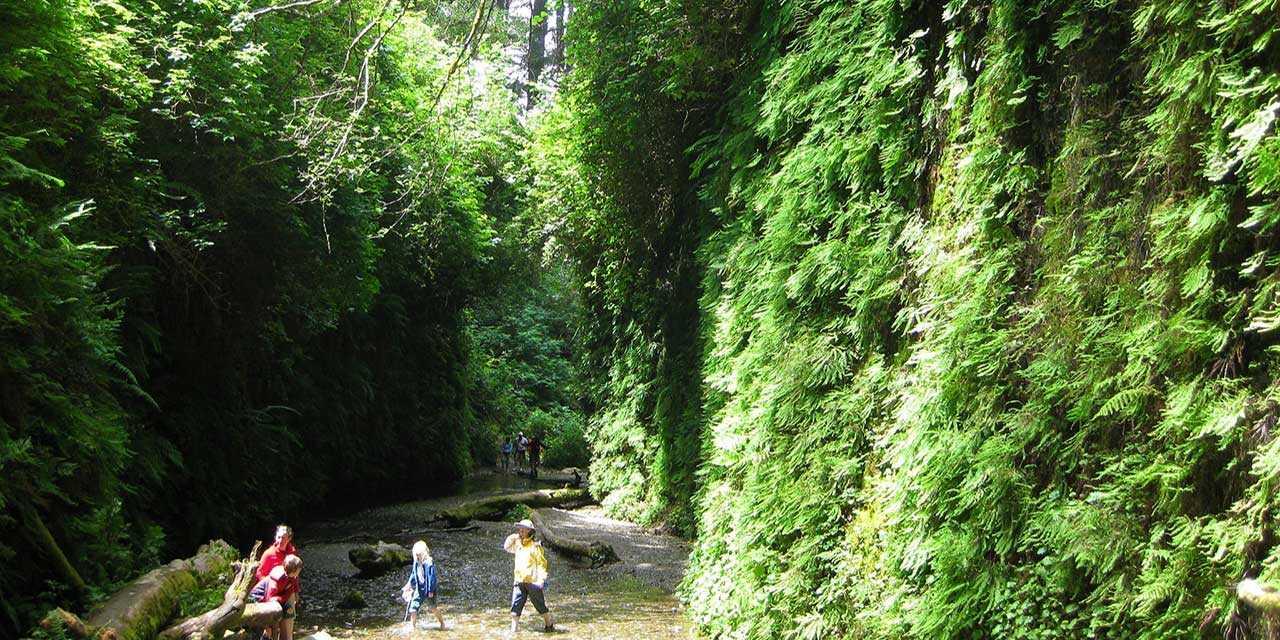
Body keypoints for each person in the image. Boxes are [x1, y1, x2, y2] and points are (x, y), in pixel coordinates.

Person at [503, 519, 553, 633]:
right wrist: (513, 537)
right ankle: (513, 630)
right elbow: (506, 547)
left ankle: (549, 623)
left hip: (533, 582)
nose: (520, 530)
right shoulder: (517, 544)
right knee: (515, 607)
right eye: (519, 528)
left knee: (540, 605)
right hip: (518, 581)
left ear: (529, 531)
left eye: (523, 529)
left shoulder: (535, 546)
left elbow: (542, 564)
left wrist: (541, 579)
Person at [250, 554, 302, 640]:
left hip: (276, 600)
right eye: (299, 569)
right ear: (293, 570)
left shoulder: (292, 578)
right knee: (273, 619)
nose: (300, 571)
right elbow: (269, 598)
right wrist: (281, 599)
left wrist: (281, 599)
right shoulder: (277, 578)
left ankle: (285, 636)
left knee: (289, 611)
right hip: (258, 600)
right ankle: (267, 634)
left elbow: (288, 592)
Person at [403, 541, 444, 631]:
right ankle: (412, 627)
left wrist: (430, 591)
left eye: (419, 555)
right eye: (416, 555)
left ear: (424, 553)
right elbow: (413, 574)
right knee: (413, 608)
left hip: (429, 589)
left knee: (432, 608)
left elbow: (431, 578)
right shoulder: (416, 562)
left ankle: (442, 623)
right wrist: (409, 584)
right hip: (419, 588)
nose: (417, 557)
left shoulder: (429, 563)